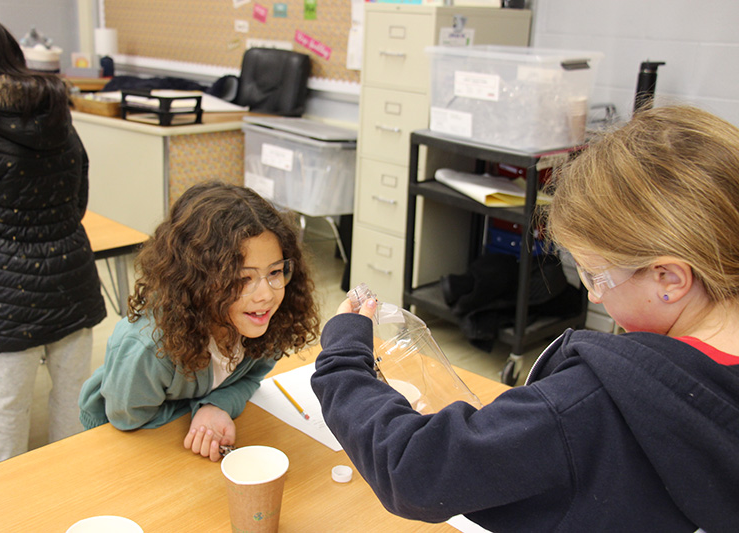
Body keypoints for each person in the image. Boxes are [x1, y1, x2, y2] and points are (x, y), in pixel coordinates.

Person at [311, 105, 739, 532]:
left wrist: (344, 356)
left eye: (596, 276)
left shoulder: (596, 402)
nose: (592, 294)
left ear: (668, 277)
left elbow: (415, 471)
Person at [0, 16, 107, 468]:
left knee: (6, 408)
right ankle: (69, 489)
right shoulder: (57, 111)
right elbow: (79, 193)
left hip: (12, 289)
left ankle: (1, 503)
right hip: (72, 272)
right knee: (73, 396)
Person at [79, 182, 321, 461]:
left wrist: (216, 406)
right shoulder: (148, 348)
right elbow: (127, 421)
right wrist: (199, 411)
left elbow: (252, 377)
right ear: (198, 280)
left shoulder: (260, 323)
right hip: (122, 440)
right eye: (243, 278)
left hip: (183, 445)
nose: (267, 294)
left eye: (276, 271)